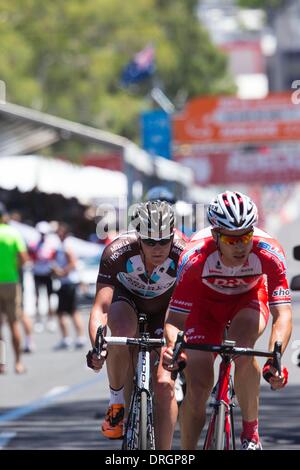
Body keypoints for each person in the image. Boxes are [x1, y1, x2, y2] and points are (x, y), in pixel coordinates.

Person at [163, 190, 292, 450]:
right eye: (232, 240)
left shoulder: (269, 252)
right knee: (198, 388)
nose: (242, 245)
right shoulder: (194, 257)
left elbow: (283, 314)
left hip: (247, 302)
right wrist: (172, 348)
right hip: (204, 309)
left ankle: (251, 434)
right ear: (215, 236)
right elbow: (176, 319)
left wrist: (274, 359)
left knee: (244, 351)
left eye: (246, 236)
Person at [87, 201, 186, 449]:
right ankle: (117, 405)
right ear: (138, 236)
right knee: (120, 332)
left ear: (173, 235)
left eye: (164, 241)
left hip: (166, 310)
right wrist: (98, 348)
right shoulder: (117, 252)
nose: (158, 248)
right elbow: (101, 308)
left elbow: (190, 308)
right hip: (127, 302)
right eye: (150, 241)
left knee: (164, 386)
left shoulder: (185, 254)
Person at [0, 202, 28, 373]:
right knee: (13, 324)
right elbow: (24, 258)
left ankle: (1, 364)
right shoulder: (12, 233)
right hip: (11, 282)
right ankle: (18, 363)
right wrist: (13, 266)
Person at [52, 223, 86, 350]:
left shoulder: (66, 245)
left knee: (69, 311)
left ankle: (76, 337)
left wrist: (61, 272)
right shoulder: (63, 245)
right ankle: (71, 338)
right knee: (66, 312)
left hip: (68, 283)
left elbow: (72, 262)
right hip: (67, 283)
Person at [28, 221, 56, 332]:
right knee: (37, 298)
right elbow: (31, 257)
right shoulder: (33, 244)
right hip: (37, 273)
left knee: (50, 298)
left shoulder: (51, 244)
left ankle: (50, 319)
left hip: (48, 273)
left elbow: (53, 257)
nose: (43, 235)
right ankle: (38, 320)